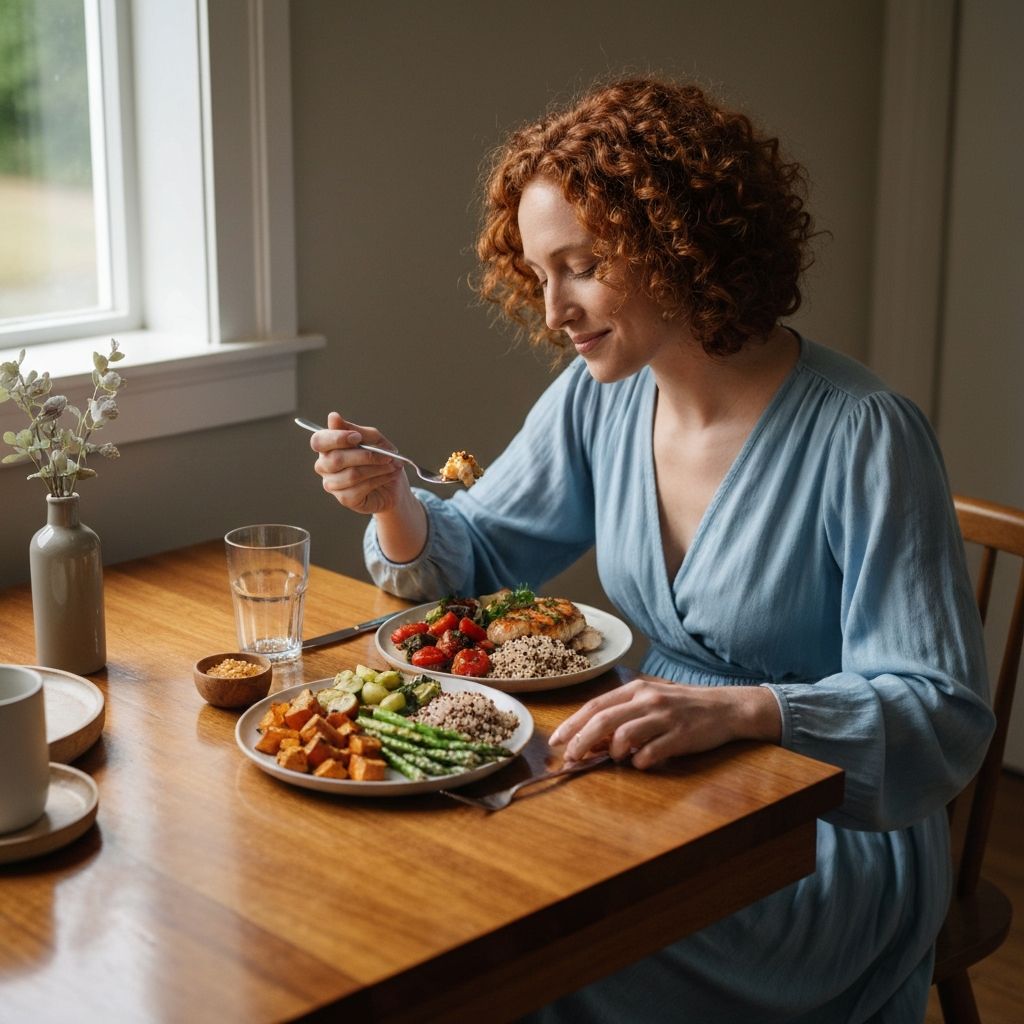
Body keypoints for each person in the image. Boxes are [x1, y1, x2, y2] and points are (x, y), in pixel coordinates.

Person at [309, 76, 995, 1023]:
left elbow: (941, 716)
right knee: (439, 902)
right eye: (540, 272)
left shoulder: (866, 436)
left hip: (820, 831)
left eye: (581, 266)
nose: (553, 311)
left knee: (535, 961)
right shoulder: (603, 395)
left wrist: (743, 713)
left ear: (680, 244)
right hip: (649, 778)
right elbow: (478, 556)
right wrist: (395, 501)